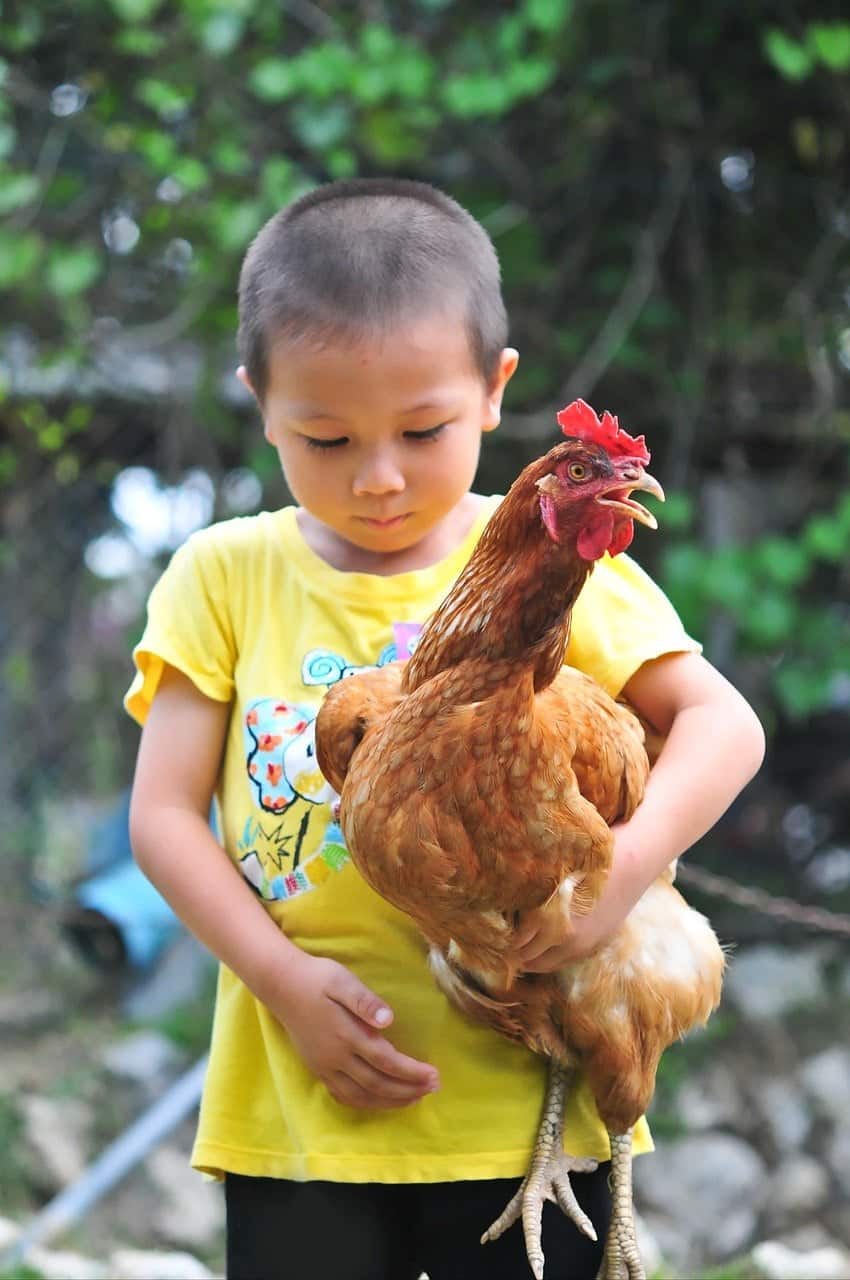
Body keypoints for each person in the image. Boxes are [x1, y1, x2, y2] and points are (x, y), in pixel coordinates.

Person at [126, 177, 765, 1280]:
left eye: (421, 430)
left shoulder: (565, 559)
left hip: (531, 1116)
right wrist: (282, 982)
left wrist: (620, 872)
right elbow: (163, 816)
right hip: (304, 1099)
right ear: (260, 403)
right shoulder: (223, 575)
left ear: (491, 389)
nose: (377, 479)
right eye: (323, 437)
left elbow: (722, 724)